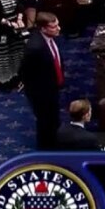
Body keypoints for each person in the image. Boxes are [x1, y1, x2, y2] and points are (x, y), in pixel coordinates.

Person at [20, 12, 64, 149]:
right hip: (41, 92)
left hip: (52, 86)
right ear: (43, 29)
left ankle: (55, 142)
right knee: (45, 121)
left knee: (53, 119)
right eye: (54, 27)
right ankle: (46, 149)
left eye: (58, 25)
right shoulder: (35, 48)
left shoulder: (49, 38)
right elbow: (25, 72)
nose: (58, 28)